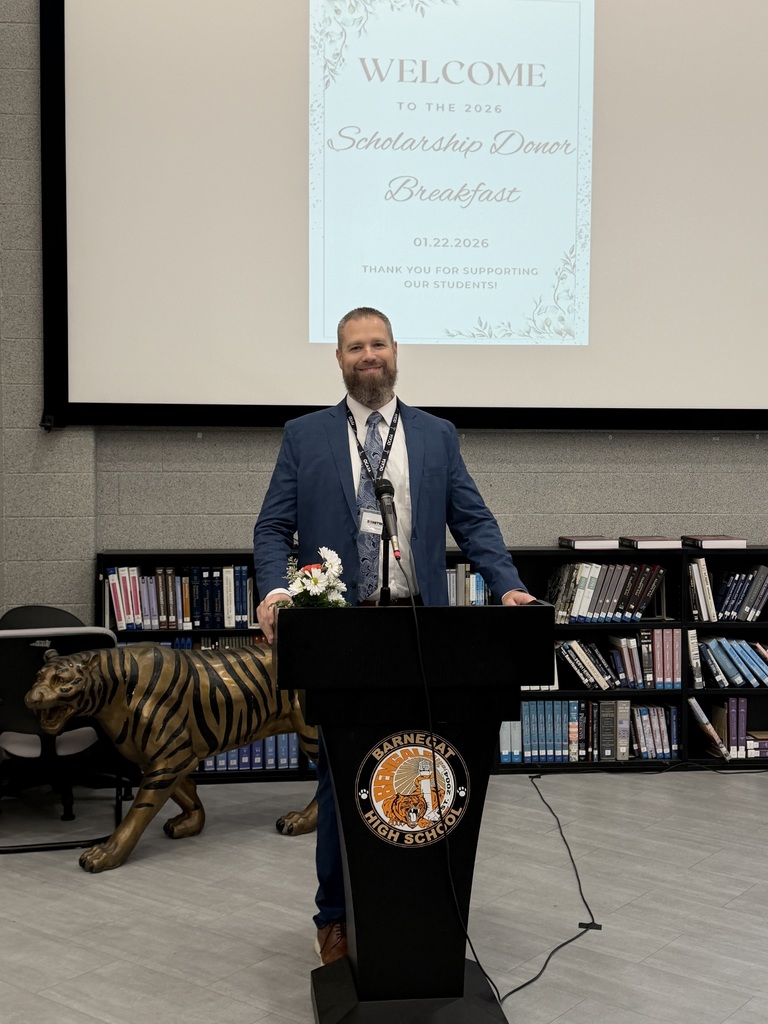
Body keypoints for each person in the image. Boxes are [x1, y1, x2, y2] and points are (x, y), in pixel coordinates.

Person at [253, 306, 536, 966]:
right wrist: (275, 589)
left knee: (428, 772)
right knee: (339, 780)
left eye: (377, 343)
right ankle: (335, 918)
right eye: (355, 347)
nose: (368, 355)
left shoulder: (437, 435)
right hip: (340, 635)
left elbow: (475, 522)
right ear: (340, 358)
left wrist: (509, 586)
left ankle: (422, 907)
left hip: (420, 630)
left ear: (396, 351)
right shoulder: (305, 435)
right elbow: (273, 528)